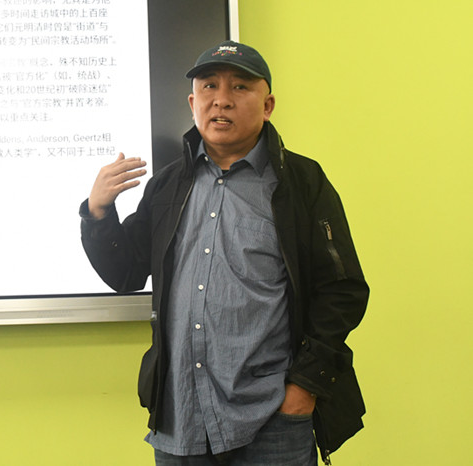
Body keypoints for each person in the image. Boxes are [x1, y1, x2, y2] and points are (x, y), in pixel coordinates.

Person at [79, 40, 368, 466]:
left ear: (267, 105)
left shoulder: (301, 183)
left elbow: (342, 291)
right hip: (180, 417)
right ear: (192, 103)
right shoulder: (168, 185)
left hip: (272, 417)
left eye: (240, 87)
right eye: (209, 86)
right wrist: (98, 213)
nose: (222, 100)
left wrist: (303, 388)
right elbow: (126, 273)